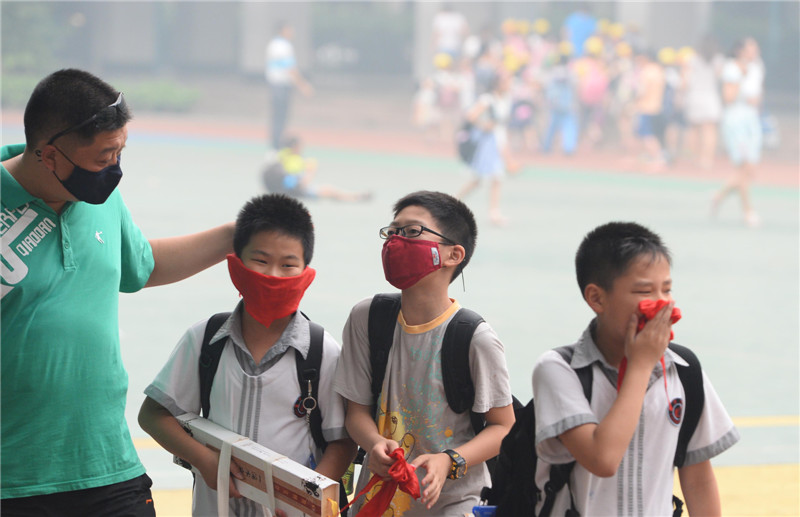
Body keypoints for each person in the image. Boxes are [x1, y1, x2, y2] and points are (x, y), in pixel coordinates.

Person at [1, 69, 235, 515]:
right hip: (14, 479)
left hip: (107, 465)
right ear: (49, 155)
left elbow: (140, 265)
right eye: (104, 157)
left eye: (121, 151)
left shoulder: (98, 199)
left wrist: (233, 236)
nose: (115, 169)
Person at [139, 193, 356, 516]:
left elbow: (342, 442)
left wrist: (306, 500)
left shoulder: (322, 351)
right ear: (236, 264)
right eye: (260, 260)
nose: (273, 275)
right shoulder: (205, 339)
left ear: (305, 272)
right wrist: (203, 459)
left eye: (288, 265)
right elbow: (153, 415)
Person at [532, 222, 740, 516]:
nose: (662, 304)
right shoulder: (559, 370)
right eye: (644, 291)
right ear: (597, 298)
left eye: (666, 290)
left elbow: (698, 478)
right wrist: (641, 365)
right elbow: (602, 459)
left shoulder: (683, 369)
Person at [333, 191, 515, 516]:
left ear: (453, 254)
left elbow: (503, 427)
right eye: (392, 231)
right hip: (375, 501)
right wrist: (374, 443)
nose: (395, 241)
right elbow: (356, 413)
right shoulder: (367, 318)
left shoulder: (475, 338)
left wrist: (450, 460)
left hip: (451, 505)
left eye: (412, 231)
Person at [713, 39, 763, 227]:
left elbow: (758, 95)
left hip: (752, 120)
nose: (754, 52)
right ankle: (748, 211)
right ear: (740, 51)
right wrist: (741, 77)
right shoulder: (732, 69)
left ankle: (719, 195)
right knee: (743, 167)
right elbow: (729, 98)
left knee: (750, 169)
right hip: (736, 121)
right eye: (751, 48)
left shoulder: (758, 67)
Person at [457, 73, 518, 226]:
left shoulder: (505, 100)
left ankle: (493, 213)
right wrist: (484, 124)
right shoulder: (488, 99)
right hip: (487, 144)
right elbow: (471, 115)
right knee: (482, 178)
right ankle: (454, 202)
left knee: (492, 178)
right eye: (507, 81)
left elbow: (501, 127)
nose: (510, 84)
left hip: (497, 142)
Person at [262, 134, 371, 202]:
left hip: (279, 189)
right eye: (300, 146)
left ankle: (354, 196)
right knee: (329, 190)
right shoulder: (295, 160)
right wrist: (311, 171)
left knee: (329, 190)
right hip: (294, 191)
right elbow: (300, 184)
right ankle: (355, 197)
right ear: (294, 147)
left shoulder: (281, 155)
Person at [266, 21, 313, 150]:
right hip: (281, 86)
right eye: (289, 30)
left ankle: (276, 145)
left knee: (277, 117)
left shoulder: (273, 44)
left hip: (275, 85)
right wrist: (303, 85)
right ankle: (277, 147)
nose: (292, 32)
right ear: (282, 31)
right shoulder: (283, 46)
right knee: (281, 117)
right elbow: (290, 69)